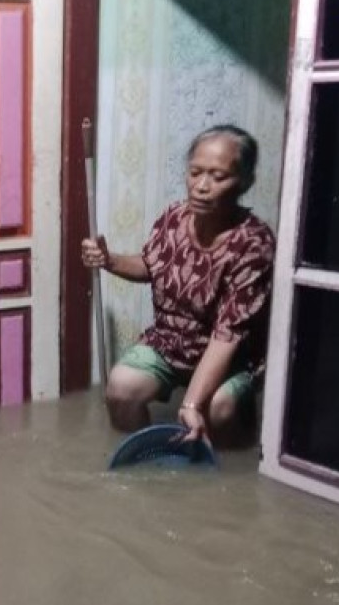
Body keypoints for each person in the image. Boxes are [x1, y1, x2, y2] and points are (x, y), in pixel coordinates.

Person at [81, 125, 275, 448]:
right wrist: (108, 259)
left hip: (230, 357)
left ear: (244, 182)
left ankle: (222, 464)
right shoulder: (174, 217)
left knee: (219, 410)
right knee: (120, 388)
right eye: (196, 172)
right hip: (172, 343)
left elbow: (226, 337)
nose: (201, 186)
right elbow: (151, 266)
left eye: (218, 176)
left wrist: (191, 404)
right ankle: (148, 462)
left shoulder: (254, 244)